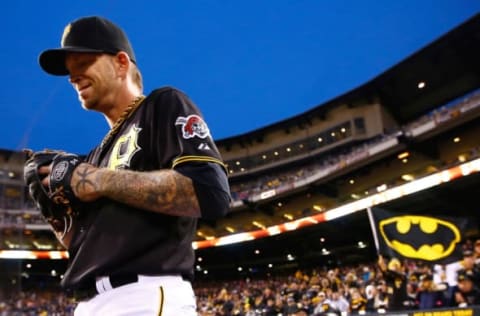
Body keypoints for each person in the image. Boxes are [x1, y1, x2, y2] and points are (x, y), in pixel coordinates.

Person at [35, 16, 231, 315]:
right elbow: (88, 245)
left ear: (121, 62)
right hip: (88, 301)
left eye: (83, 63)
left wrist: (94, 180)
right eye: (70, 73)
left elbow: (210, 192)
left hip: (145, 295)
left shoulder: (161, 105)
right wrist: (58, 214)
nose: (73, 77)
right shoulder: (94, 155)